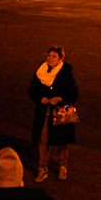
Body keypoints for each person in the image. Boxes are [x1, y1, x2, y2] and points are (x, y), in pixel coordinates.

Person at [28, 47, 78, 182]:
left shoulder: (65, 74)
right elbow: (32, 90)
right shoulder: (40, 72)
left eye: (54, 56)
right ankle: (42, 168)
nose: (50, 58)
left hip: (60, 112)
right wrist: (40, 99)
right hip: (44, 113)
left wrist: (60, 99)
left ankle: (63, 167)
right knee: (44, 141)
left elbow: (73, 94)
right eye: (49, 55)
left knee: (62, 142)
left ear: (60, 59)